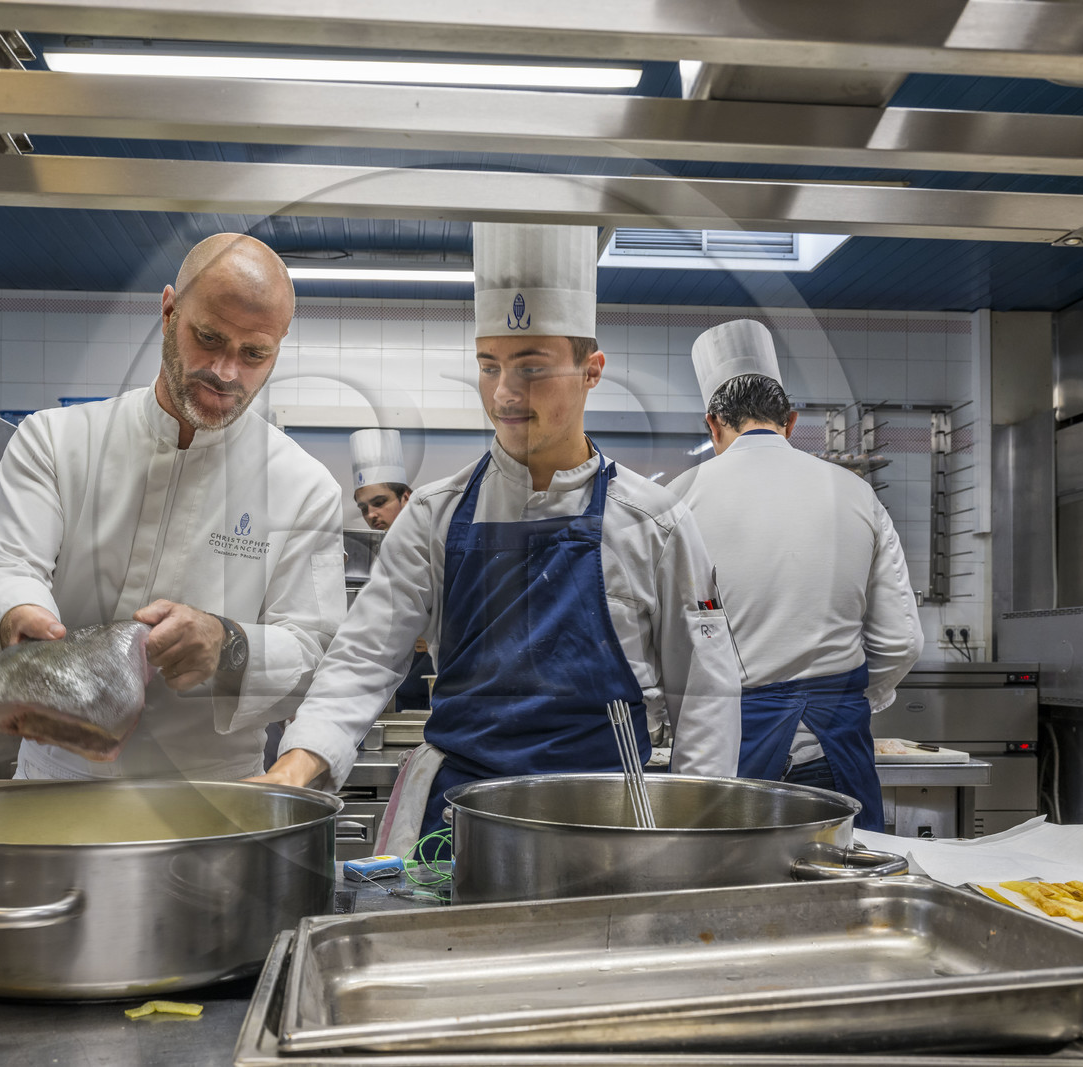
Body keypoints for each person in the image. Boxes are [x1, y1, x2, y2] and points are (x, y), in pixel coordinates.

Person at [255, 223, 742, 848]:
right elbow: (365, 656)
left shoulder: (656, 525)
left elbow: (704, 694)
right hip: (459, 826)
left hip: (608, 825)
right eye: (489, 367)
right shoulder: (436, 516)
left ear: (591, 370)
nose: (505, 394)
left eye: (532, 367)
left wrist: (690, 841)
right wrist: (299, 762)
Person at [0, 233, 347, 780]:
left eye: (254, 354)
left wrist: (228, 645)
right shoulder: (57, 440)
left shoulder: (303, 486)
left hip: (212, 799)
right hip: (57, 787)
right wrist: (18, 619)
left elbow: (317, 649)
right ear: (168, 311)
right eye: (208, 338)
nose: (227, 372)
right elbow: (0, 565)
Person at [672, 319, 923, 831]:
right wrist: (840, 701)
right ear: (790, 421)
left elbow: (660, 643)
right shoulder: (856, 494)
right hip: (832, 752)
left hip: (724, 752)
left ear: (712, 425)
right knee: (840, 897)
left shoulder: (679, 497)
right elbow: (902, 642)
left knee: (725, 894)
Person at [348, 427, 431, 712]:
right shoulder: (371, 554)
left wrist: (432, 632)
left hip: (431, 680)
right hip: (389, 683)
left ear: (406, 497)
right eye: (363, 508)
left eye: (380, 502)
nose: (371, 515)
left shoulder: (438, 542)